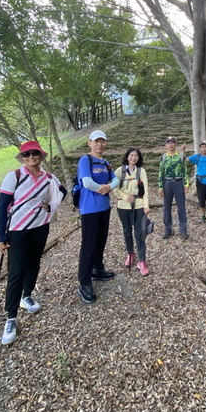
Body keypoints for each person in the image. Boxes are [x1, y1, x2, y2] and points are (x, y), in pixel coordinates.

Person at [0, 140, 67, 345]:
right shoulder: (14, 176)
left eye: (35, 153)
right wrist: (1, 236)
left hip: (40, 226)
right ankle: (11, 317)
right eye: (27, 155)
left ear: (40, 155)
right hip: (17, 230)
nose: (31, 158)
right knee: (16, 271)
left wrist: (50, 205)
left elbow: (62, 192)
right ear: (23, 158)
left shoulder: (48, 177)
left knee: (34, 264)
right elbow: (2, 208)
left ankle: (27, 296)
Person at [76, 130, 119, 304]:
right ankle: (84, 281)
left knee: (101, 240)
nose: (99, 144)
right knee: (89, 245)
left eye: (102, 141)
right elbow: (86, 182)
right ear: (90, 143)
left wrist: (110, 187)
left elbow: (116, 180)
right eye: (96, 141)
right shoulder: (85, 160)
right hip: (89, 208)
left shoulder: (106, 163)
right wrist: (105, 188)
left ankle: (97, 269)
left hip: (104, 207)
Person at [113, 148, 151, 276]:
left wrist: (146, 206)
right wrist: (125, 197)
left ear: (139, 158)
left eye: (136, 156)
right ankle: (130, 253)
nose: (133, 158)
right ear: (127, 157)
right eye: (131, 155)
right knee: (127, 231)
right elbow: (114, 188)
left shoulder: (142, 172)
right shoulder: (120, 171)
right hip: (123, 206)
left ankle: (142, 261)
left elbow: (145, 189)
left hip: (139, 205)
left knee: (140, 233)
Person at [182, 140, 206, 225]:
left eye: (205, 147)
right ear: (200, 148)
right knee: (201, 199)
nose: (204, 149)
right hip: (200, 181)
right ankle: (202, 215)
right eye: (202, 147)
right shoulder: (197, 157)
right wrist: (184, 151)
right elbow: (185, 160)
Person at [158, 136, 189, 240]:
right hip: (167, 183)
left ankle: (183, 230)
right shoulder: (163, 157)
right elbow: (160, 173)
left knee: (181, 208)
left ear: (175, 144)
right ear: (165, 145)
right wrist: (160, 187)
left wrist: (186, 184)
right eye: (168, 143)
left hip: (179, 183)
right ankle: (168, 229)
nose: (170, 144)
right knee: (167, 208)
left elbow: (185, 171)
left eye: (172, 142)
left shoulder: (180, 156)